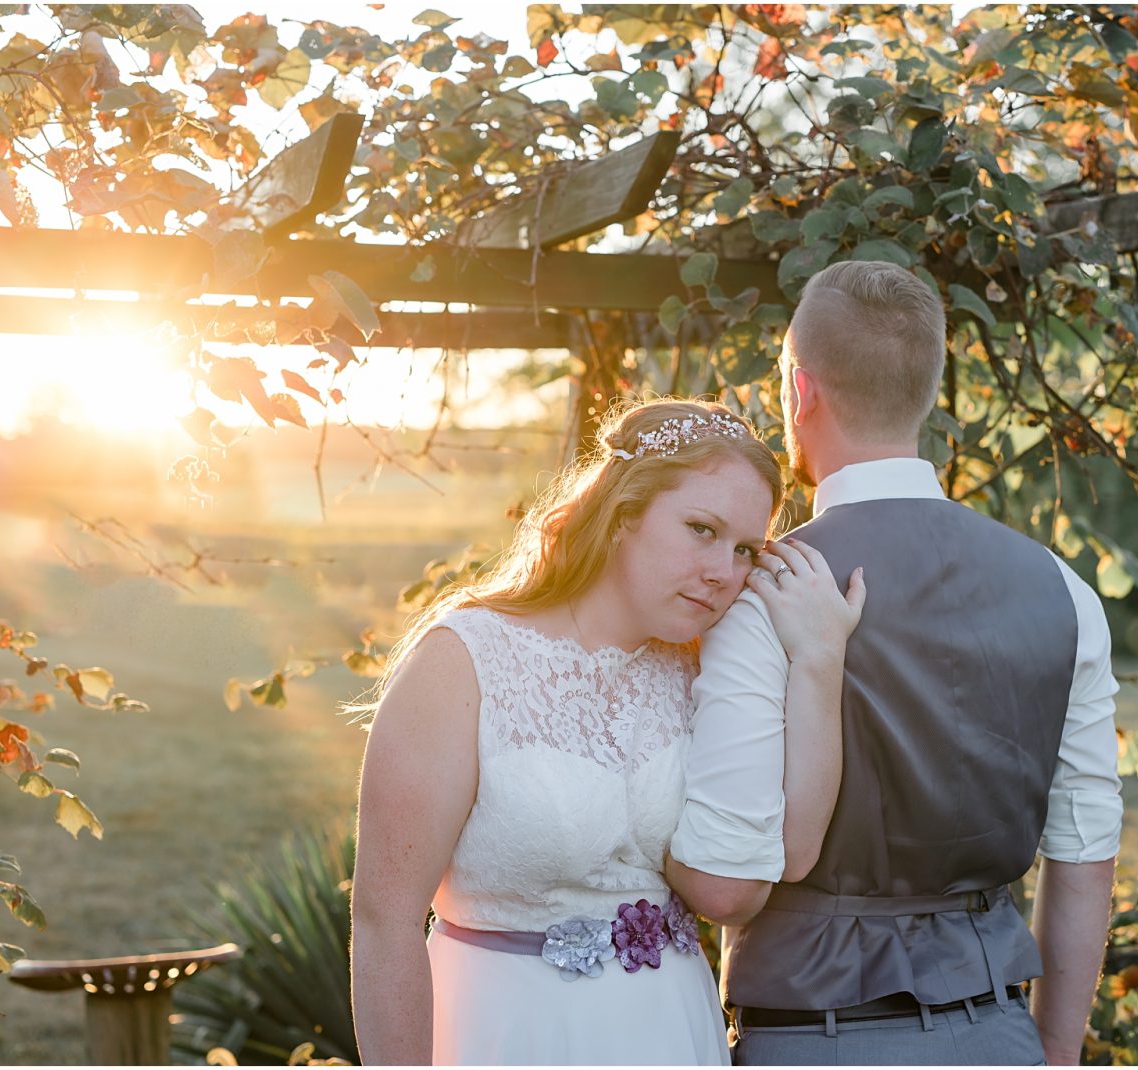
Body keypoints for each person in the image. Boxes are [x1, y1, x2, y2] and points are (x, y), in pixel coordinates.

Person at [665, 260, 1123, 1065]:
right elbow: (1084, 857)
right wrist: (1049, 1053)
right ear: (927, 391)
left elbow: (729, 865)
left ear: (799, 393)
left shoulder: (764, 590)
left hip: (815, 1040)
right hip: (999, 1037)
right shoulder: (1065, 592)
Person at [347, 398, 865, 1065]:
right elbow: (384, 920)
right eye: (700, 529)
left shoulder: (702, 672)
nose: (723, 571)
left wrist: (820, 663)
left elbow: (790, 854)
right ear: (623, 513)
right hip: (511, 1034)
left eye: (743, 549)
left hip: (671, 1033)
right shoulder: (464, 660)